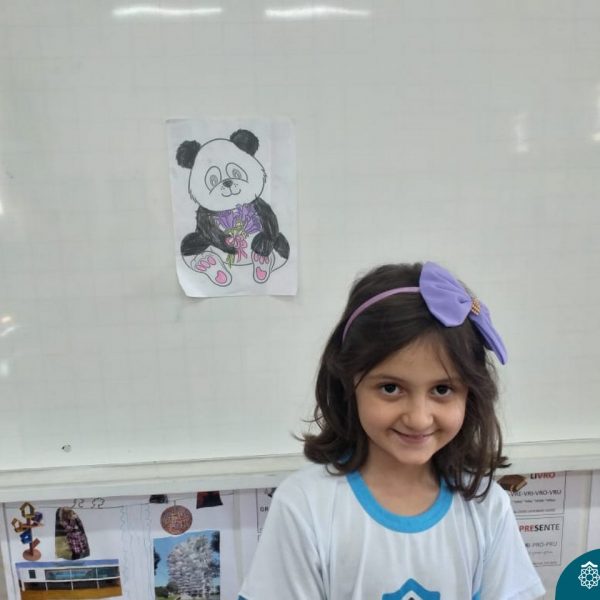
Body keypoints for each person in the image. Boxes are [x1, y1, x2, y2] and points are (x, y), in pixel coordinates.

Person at [238, 261, 545, 600]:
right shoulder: (304, 505)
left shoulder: (486, 505)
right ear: (348, 383)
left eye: (442, 389)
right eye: (390, 388)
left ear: (470, 394)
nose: (418, 418)